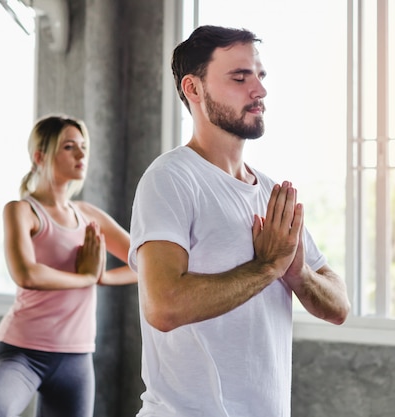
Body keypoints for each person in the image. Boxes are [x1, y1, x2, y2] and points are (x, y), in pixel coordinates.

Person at [128, 25, 351, 417]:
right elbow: (163, 306)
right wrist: (266, 268)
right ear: (194, 89)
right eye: (239, 77)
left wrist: (297, 274)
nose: (259, 90)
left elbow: (339, 307)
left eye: (260, 76)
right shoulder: (170, 179)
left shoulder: (269, 192)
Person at [0, 115, 137, 417]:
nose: (82, 154)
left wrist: (102, 277)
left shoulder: (87, 215)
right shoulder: (22, 212)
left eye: (83, 147)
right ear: (40, 156)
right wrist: (85, 278)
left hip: (76, 359)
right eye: (69, 147)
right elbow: (26, 273)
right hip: (22, 351)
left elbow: (144, 261)